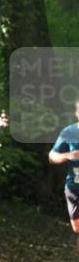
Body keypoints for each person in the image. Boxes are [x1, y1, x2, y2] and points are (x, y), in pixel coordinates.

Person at [49, 100, 79, 254]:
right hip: (74, 186)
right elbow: (52, 156)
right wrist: (68, 155)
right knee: (77, 228)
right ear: (76, 113)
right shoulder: (69, 132)